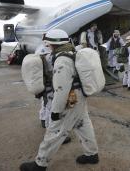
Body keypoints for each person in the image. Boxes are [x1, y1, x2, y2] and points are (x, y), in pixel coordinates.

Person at [20, 29, 99, 171]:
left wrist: (56, 111)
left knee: (55, 130)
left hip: (70, 98)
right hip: (79, 95)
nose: (48, 47)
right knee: (83, 125)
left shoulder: (62, 60)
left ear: (52, 44)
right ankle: (92, 154)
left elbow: (61, 89)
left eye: (48, 44)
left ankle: (40, 163)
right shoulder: (71, 52)